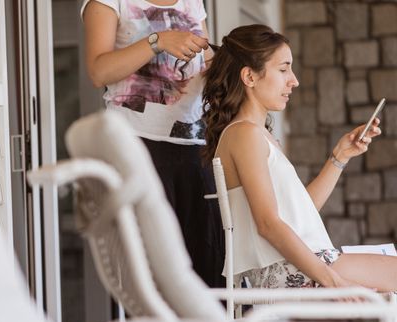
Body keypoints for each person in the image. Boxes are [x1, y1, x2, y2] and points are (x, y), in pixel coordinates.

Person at [202, 24, 397, 292]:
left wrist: (340, 156)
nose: (293, 80)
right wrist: (333, 280)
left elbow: (299, 214)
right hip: (289, 270)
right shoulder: (244, 134)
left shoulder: (261, 135)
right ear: (249, 76)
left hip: (304, 263)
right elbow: (268, 224)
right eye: (283, 69)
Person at [81, 0, 225, 288]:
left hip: (197, 143)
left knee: (207, 260)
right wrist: (157, 41)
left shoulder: (192, 2)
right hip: (138, 145)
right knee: (152, 266)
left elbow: (207, 63)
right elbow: (99, 71)